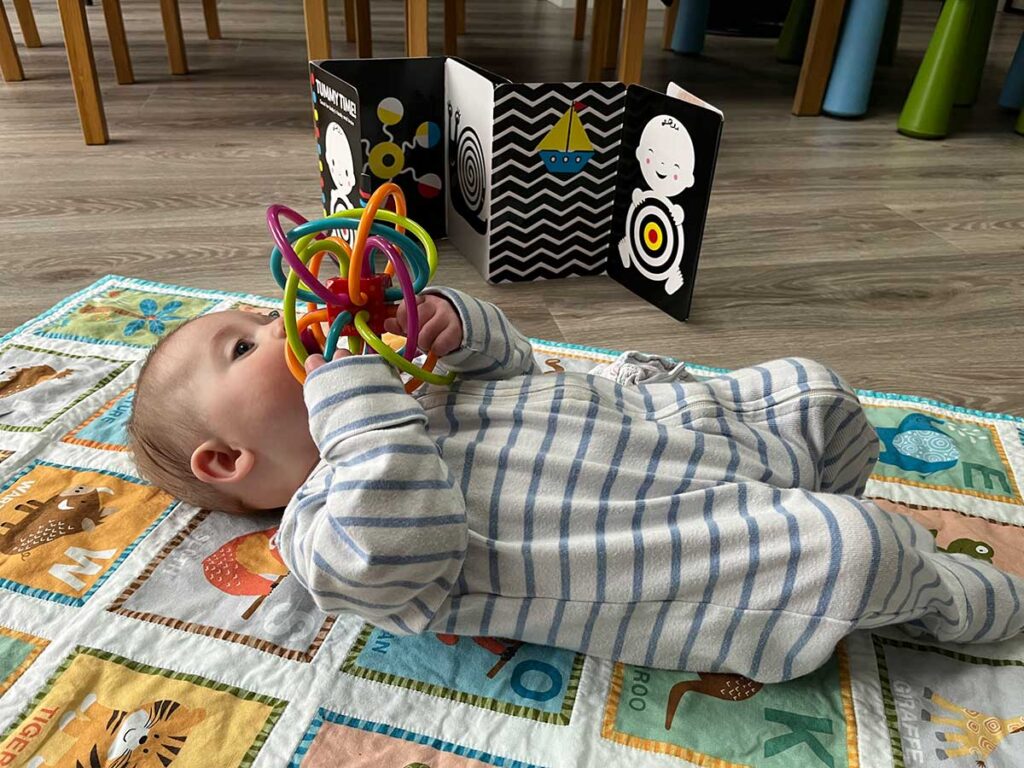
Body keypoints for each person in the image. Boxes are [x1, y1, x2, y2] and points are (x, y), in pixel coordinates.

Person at [128, 288, 1024, 683]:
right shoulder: (323, 535)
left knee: (811, 389)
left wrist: (452, 326)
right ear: (228, 461)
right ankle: (939, 598)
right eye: (245, 345)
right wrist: (352, 398)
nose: (280, 323)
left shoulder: (404, 388)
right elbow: (396, 538)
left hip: (669, 435)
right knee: (850, 553)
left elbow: (515, 363)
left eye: (256, 312)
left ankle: (817, 479)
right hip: (678, 539)